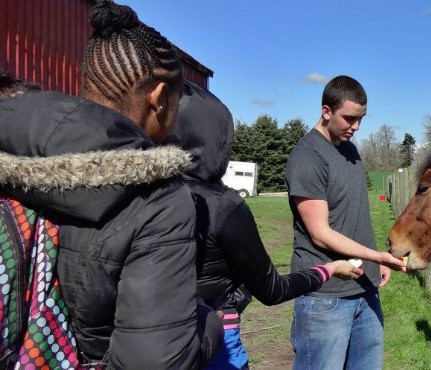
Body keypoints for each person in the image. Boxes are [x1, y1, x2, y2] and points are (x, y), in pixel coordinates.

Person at [0, 1, 222, 368]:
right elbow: (157, 362)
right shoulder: (157, 198)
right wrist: (207, 323)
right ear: (159, 97)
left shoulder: (20, 147)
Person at [164, 80, 364, 370]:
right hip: (216, 341)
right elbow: (272, 289)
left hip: (152, 344)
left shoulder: (141, 197)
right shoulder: (224, 206)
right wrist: (330, 269)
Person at [285, 75, 406, 369]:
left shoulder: (350, 150)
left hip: (365, 289)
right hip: (324, 298)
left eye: (361, 119)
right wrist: (377, 256)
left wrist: (375, 265)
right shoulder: (307, 158)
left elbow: (355, 213)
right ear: (326, 111)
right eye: (349, 119)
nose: (356, 127)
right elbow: (321, 234)